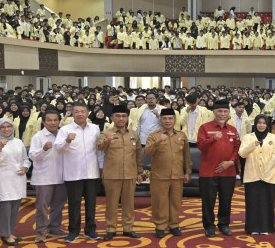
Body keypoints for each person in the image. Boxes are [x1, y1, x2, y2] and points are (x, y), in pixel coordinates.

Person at [55, 103, 102, 242]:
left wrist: (101, 167)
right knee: (74, 203)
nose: (80, 114)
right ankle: (73, 230)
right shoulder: (65, 130)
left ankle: (90, 229)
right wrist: (67, 140)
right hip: (73, 172)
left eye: (83, 111)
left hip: (92, 171)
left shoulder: (95, 128)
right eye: (77, 111)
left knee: (91, 202)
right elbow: (58, 149)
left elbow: (99, 149)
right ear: (72, 113)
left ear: (88, 113)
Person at [145, 108, 192, 238]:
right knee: (160, 202)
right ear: (160, 120)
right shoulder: (154, 135)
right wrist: (157, 142)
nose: (167, 121)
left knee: (176, 201)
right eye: (164, 118)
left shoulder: (181, 135)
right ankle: (160, 226)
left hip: (177, 175)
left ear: (175, 120)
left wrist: (188, 171)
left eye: (170, 118)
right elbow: (147, 152)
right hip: (159, 175)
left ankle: (174, 225)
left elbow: (186, 155)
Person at [98, 107, 145, 239]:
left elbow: (138, 154)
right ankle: (110, 229)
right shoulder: (106, 133)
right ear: (112, 118)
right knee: (111, 203)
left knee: (129, 203)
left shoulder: (134, 134)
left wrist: (140, 171)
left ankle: (128, 228)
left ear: (127, 118)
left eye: (124, 116)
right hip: (112, 174)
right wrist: (107, 140)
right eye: (118, 116)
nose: (121, 119)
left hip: (130, 173)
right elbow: (99, 147)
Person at [197, 100, 240, 237]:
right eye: (219, 111)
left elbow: (237, 148)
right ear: (214, 112)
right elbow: (200, 146)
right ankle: (209, 226)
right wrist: (212, 139)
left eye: (225, 111)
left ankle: (224, 224)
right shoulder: (205, 128)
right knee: (208, 201)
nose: (222, 114)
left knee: (226, 200)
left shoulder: (232, 130)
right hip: (209, 171)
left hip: (228, 171)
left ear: (228, 113)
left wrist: (231, 162)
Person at [0, 117, 30, 246]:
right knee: (5, 208)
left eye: (9, 126)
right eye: (3, 127)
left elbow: (25, 159)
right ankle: (5, 234)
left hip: (18, 178)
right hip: (3, 178)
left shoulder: (18, 142)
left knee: (15, 207)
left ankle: (10, 232)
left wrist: (25, 167)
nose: (6, 129)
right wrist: (0, 148)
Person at [29, 110, 68, 242]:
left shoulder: (63, 135)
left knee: (58, 205)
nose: (53, 123)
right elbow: (32, 156)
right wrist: (43, 149)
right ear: (44, 122)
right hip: (43, 177)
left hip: (61, 176)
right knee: (42, 207)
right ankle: (41, 231)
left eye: (55, 120)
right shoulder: (38, 136)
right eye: (49, 120)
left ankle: (54, 228)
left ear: (59, 121)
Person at [239, 114, 275, 235]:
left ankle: (266, 227)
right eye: (259, 123)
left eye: (264, 123)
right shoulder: (248, 137)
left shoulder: (274, 138)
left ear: (267, 125)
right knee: (253, 202)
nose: (261, 125)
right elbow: (242, 154)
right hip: (252, 175)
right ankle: (253, 228)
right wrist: (253, 145)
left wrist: (266, 173)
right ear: (255, 124)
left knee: (267, 202)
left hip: (269, 176)